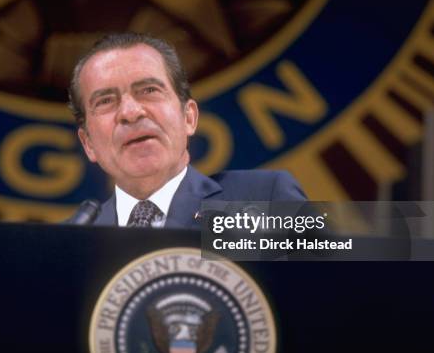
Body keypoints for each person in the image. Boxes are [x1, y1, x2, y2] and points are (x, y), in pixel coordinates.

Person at [68, 32, 306, 228]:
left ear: (188, 117)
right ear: (88, 143)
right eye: (105, 101)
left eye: (149, 90)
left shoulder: (263, 202)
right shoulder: (72, 241)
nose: (130, 112)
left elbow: (330, 285)